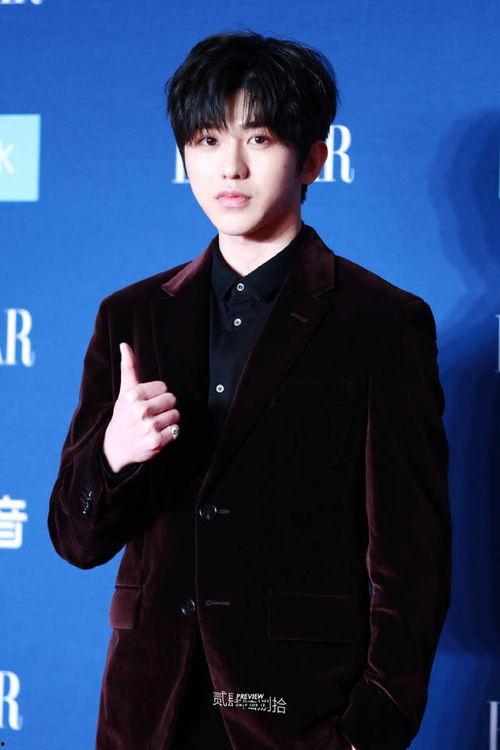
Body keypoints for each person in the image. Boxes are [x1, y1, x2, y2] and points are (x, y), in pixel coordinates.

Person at [47, 30, 452, 750]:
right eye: (207, 140)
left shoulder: (382, 322)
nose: (230, 167)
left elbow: (412, 564)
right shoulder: (130, 316)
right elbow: (74, 541)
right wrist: (111, 456)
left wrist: (366, 731)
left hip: (300, 715)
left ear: (313, 159)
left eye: (259, 139)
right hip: (148, 712)